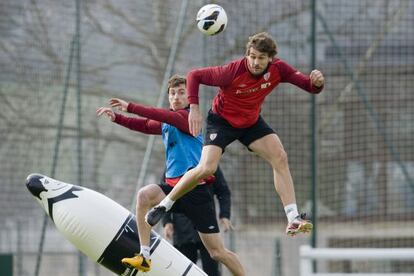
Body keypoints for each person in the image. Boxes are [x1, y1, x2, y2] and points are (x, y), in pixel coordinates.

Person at [146, 32, 325, 236]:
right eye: (252, 56)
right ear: (247, 54)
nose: (255, 62)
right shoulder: (232, 71)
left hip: (250, 122)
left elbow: (308, 86)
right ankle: (165, 205)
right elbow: (194, 75)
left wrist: (316, 83)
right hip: (221, 122)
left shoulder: (279, 69)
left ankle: (292, 218)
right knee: (206, 168)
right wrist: (194, 108)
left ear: (271, 59)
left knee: (280, 157)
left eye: (261, 58)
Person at [96, 75, 246, 275]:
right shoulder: (168, 122)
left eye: (181, 92)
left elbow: (160, 116)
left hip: (196, 192)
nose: (176, 97)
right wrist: (117, 118)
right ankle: (144, 255)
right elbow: (144, 125)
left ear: (190, 97)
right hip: (173, 190)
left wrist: (130, 107)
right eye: (172, 93)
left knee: (218, 253)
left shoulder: (187, 118)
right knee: (144, 195)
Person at [163, 166, 232, 276]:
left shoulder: (209, 161)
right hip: (182, 230)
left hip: (207, 224)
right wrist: (167, 222)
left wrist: (225, 215)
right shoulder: (174, 162)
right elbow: (165, 195)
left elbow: (223, 191)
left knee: (212, 271)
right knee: (182, 271)